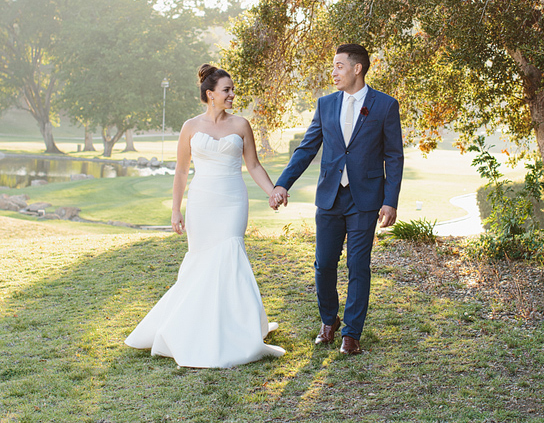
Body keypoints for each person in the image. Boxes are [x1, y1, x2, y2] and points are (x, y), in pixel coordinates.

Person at [125, 64, 286, 368]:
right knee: (201, 263)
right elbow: (182, 171)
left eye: (232, 89)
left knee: (229, 255)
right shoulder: (190, 127)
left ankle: (238, 328)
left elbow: (253, 166)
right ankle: (192, 327)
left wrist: (271, 191)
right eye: (227, 90)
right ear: (210, 94)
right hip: (201, 202)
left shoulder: (241, 125)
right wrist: (175, 210)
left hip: (232, 201)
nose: (232, 94)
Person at [272, 43, 404, 355]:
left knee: (359, 265)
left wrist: (390, 200)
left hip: (366, 199)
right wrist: (282, 184)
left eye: (339, 66)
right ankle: (328, 322)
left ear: (357, 68)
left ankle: (351, 334)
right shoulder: (326, 104)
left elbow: (394, 156)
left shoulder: (384, 105)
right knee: (324, 264)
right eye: (333, 67)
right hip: (329, 197)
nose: (333, 72)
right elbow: (306, 149)